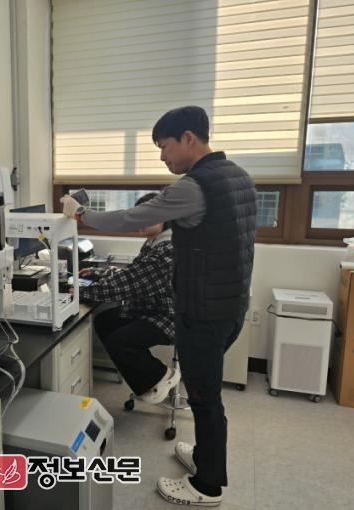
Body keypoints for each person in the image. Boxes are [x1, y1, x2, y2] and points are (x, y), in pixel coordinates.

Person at [61, 106, 256, 507]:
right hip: (230, 304)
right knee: (205, 393)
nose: (163, 157)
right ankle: (204, 458)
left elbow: (132, 217)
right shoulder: (238, 177)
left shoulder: (194, 187)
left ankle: (207, 487)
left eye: (164, 147)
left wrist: (80, 214)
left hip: (203, 311)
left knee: (204, 398)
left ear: (188, 138)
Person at [79, 193, 179, 405]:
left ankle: (162, 374)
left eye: (145, 218)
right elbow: (135, 273)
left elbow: (131, 284)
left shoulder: (167, 248)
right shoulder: (154, 241)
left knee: (119, 341)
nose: (139, 223)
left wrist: (82, 292)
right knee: (104, 321)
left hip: (168, 316)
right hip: (150, 307)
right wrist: (100, 273)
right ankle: (145, 382)